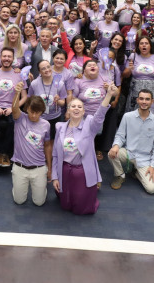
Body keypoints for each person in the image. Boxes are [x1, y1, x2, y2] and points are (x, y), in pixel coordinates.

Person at [51, 83, 119, 215]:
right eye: (73, 106)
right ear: (68, 110)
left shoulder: (89, 125)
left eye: (79, 107)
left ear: (83, 111)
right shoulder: (59, 127)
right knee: (65, 206)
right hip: (64, 170)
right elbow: (55, 155)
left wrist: (109, 95)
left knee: (81, 209)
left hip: (82, 171)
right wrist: (55, 177)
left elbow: (100, 115)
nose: (76, 109)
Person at [108, 89, 154, 194]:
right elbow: (120, 135)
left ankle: (136, 172)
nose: (144, 102)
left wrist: (152, 166)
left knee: (151, 189)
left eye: (147, 99)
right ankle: (120, 175)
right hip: (128, 153)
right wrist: (116, 146)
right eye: (141, 99)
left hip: (145, 159)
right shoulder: (128, 116)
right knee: (111, 153)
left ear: (152, 101)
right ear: (137, 100)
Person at [9, 82, 52, 206]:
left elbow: (47, 145)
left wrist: (49, 167)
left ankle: (40, 186)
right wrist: (17, 92)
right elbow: (14, 108)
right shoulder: (20, 118)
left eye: (37, 112)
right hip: (19, 166)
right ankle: (17, 185)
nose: (33, 115)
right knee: (19, 201)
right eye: (31, 111)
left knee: (39, 202)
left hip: (39, 167)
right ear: (27, 108)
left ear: (42, 111)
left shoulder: (46, 125)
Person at [28, 59, 68, 140]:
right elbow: (29, 100)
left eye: (48, 67)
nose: (47, 70)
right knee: (40, 140)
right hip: (39, 118)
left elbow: (63, 103)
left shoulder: (60, 84)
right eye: (43, 68)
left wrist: (58, 101)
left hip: (55, 117)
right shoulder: (34, 84)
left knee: (53, 140)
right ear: (39, 72)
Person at [126, 36, 154, 110]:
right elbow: (126, 75)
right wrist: (130, 69)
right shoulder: (133, 56)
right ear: (138, 46)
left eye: (146, 43)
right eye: (141, 43)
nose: (144, 45)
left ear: (150, 46)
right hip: (136, 92)